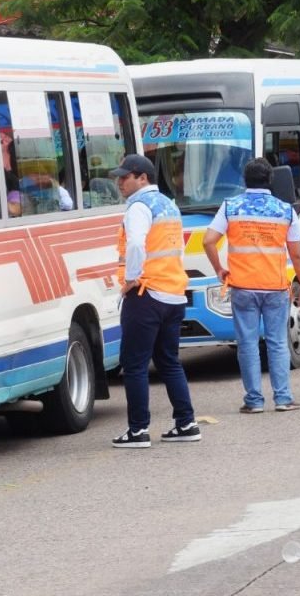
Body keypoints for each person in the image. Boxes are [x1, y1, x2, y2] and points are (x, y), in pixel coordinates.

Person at [202, 158, 300, 414]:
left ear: (245, 180)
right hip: (275, 288)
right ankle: (283, 398)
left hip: (243, 287)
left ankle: (253, 401)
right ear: (270, 180)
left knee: (248, 344)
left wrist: (219, 269)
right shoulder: (285, 210)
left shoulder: (231, 206)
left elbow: (208, 241)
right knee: (277, 343)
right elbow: (297, 255)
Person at [110, 153, 199, 448]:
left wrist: (131, 278)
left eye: (125, 177)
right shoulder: (169, 205)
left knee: (134, 364)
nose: (120, 182)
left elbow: (136, 244)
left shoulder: (139, 206)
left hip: (145, 293)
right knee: (169, 361)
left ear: (142, 178)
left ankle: (138, 430)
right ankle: (186, 423)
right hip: (173, 294)